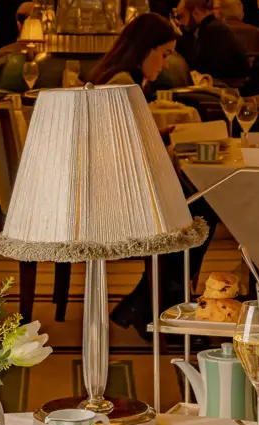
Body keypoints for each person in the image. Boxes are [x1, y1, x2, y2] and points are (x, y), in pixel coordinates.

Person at [90, 14, 221, 340]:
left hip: (117, 183)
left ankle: (148, 305)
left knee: (200, 205)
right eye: (163, 53)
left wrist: (162, 133)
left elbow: (126, 140)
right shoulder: (122, 83)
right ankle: (161, 309)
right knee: (199, 210)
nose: (166, 63)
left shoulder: (120, 79)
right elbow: (123, 148)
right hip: (117, 193)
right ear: (144, 49)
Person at [88, 12, 179, 91]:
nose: (166, 65)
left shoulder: (130, 81)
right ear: (145, 47)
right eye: (164, 55)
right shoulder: (123, 83)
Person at [176, 0, 250, 84]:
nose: (181, 22)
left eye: (181, 16)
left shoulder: (214, 30)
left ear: (195, 12)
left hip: (229, 87)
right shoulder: (211, 27)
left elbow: (208, 69)